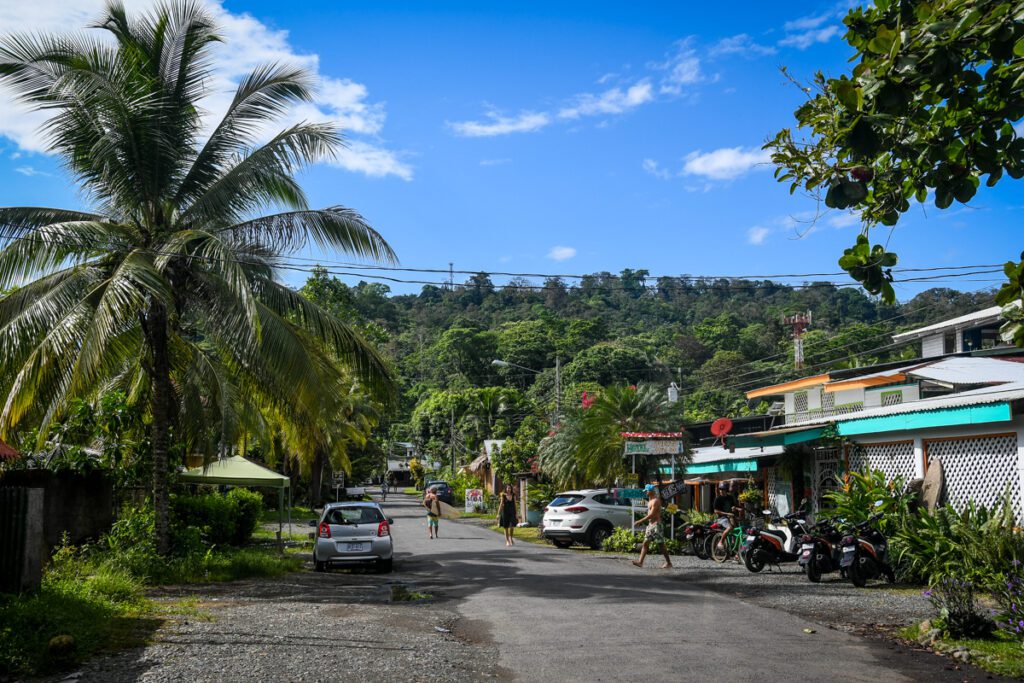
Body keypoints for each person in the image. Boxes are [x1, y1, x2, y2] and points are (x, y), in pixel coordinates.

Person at [632, 484, 672, 569]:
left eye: (647, 490)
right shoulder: (650, 501)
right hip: (650, 525)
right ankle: (640, 562)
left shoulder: (656, 501)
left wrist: (640, 521)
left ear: (651, 491)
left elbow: (652, 514)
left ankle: (669, 563)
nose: (646, 492)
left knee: (661, 545)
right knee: (645, 543)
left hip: (657, 525)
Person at [713, 482, 738, 550]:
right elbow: (716, 511)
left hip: (730, 517)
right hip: (721, 518)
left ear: (726, 490)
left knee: (739, 529)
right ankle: (720, 542)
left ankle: (735, 548)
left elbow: (733, 507)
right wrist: (727, 514)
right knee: (730, 527)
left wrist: (735, 508)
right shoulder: (718, 499)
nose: (721, 491)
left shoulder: (730, 497)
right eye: (720, 489)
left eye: (723, 489)